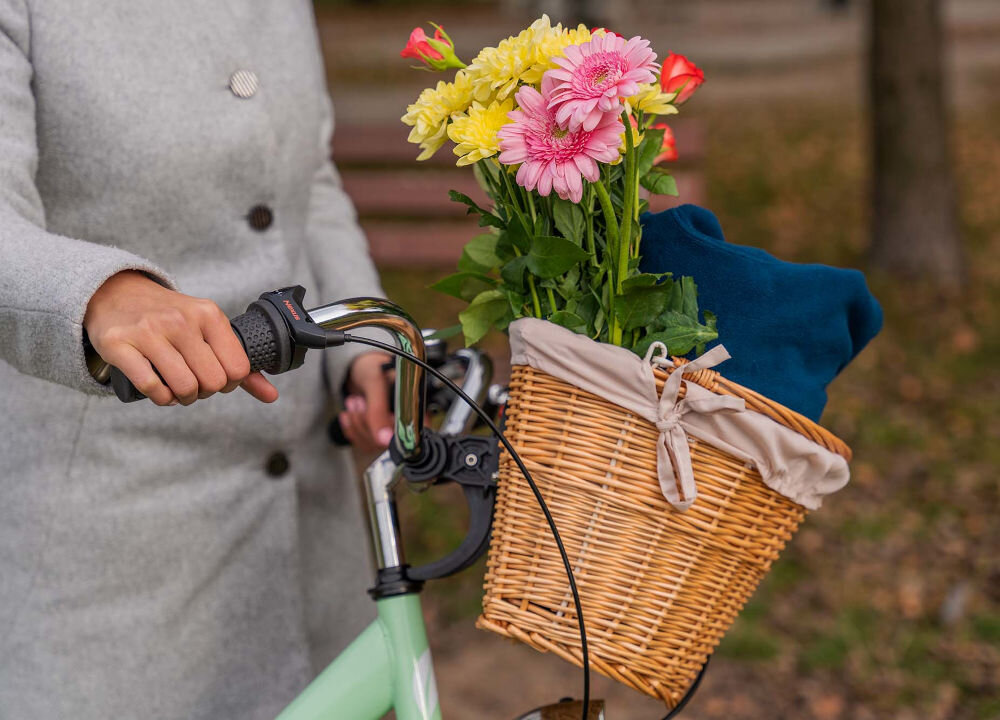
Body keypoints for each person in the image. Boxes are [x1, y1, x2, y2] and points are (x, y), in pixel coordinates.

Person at [0, 2, 393, 718]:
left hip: (315, 547)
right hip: (110, 573)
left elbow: (313, 186)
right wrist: (97, 295)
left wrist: (369, 350)